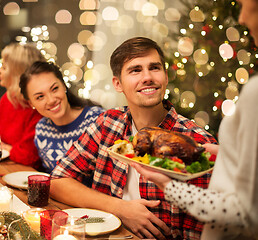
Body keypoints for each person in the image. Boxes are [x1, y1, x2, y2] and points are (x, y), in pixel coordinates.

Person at [50, 37, 217, 240]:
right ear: (118, 84)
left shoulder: (196, 142)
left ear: (165, 76)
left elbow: (205, 229)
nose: (147, 77)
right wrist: (120, 208)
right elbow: (57, 181)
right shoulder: (107, 124)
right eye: (135, 70)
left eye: (154, 68)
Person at [131, 0, 258, 239]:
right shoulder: (109, 121)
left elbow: (245, 214)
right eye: (135, 70)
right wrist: (224, 152)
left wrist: (166, 185)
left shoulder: (254, 94)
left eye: (244, 3)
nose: (240, 18)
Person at [19, 61, 104, 173]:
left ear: (64, 86)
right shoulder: (42, 129)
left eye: (54, 89)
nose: (51, 100)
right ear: (31, 104)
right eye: (40, 97)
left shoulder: (97, 119)